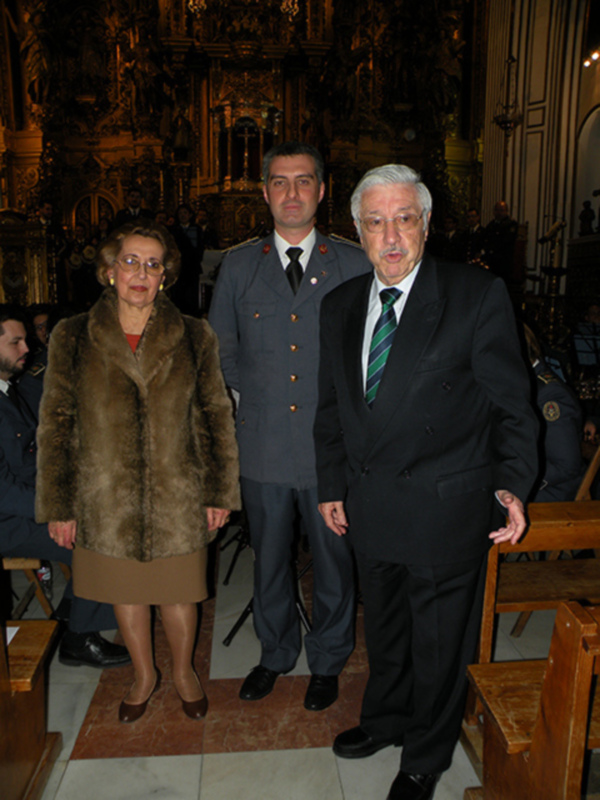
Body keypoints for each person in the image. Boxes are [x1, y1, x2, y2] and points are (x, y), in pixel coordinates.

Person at [314, 164, 538, 800]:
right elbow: (332, 410)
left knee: (439, 644)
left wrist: (514, 483)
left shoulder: (475, 295)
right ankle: (385, 720)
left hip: (446, 507)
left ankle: (426, 754)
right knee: (383, 629)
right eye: (376, 222)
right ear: (357, 231)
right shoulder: (339, 306)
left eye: (403, 219)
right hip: (369, 504)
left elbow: (512, 409)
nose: (390, 236)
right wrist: (331, 482)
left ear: (426, 225)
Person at [35, 222, 240, 723]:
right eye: (131, 262)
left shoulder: (195, 334)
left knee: (178, 592)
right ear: (109, 271)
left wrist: (219, 492)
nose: (141, 274)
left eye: (153, 264)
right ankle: (144, 675)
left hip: (179, 492)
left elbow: (216, 417)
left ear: (166, 276)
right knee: (127, 593)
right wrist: (59, 505)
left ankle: (185, 672)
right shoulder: (73, 335)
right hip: (106, 495)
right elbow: (55, 423)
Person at [209, 141, 371, 712]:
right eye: (280, 182)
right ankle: (275, 654)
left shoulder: (353, 263)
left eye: (304, 181)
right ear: (265, 192)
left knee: (333, 561)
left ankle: (327, 660)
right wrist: (254, 398)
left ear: (322, 191)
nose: (292, 193)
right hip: (264, 445)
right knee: (269, 560)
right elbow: (220, 347)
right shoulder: (237, 265)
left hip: (333, 452)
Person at [0, 305, 131, 669]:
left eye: (25, 339)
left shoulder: (6, 389)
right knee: (96, 541)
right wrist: (59, 507)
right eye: (16, 342)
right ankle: (78, 638)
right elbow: (4, 491)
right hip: (6, 520)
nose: (27, 347)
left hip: (22, 502)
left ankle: (73, 610)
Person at [523, 324, 586, 501]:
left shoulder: (549, 395)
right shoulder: (525, 384)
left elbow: (565, 466)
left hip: (550, 493)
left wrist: (514, 478)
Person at [483, 200, 518, 280]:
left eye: (501, 210)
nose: (499, 213)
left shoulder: (511, 224)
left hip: (503, 261)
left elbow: (506, 241)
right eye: (497, 210)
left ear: (506, 211)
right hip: (491, 261)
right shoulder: (491, 225)